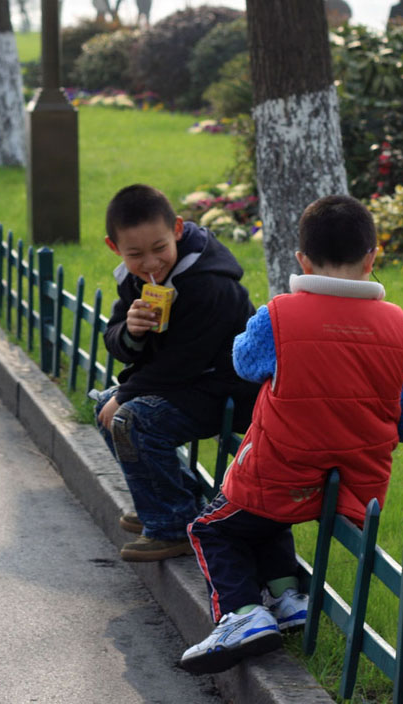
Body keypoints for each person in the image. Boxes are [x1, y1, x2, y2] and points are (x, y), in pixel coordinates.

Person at [180, 195, 403, 675]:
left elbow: (244, 362)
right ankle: (288, 598)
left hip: (281, 469)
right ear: (372, 257)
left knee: (212, 529)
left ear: (302, 260)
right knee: (265, 520)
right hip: (351, 484)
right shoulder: (400, 327)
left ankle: (241, 614)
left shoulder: (280, 314)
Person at [92, 184, 259, 563]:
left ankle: (171, 526)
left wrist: (128, 393)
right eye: (135, 254)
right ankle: (168, 502)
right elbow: (114, 339)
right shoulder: (135, 279)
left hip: (224, 388)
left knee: (130, 418)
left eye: (159, 248)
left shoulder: (210, 284)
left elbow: (187, 359)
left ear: (178, 230)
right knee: (106, 407)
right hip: (183, 383)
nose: (151, 263)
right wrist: (131, 331)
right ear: (114, 247)